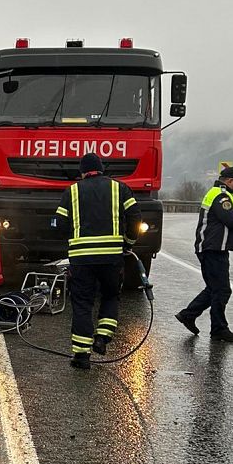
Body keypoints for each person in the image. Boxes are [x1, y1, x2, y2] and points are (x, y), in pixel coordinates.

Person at [55, 152, 143, 370]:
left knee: (82, 302)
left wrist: (71, 239)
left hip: (82, 259)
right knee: (111, 296)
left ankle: (82, 356)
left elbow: (58, 223)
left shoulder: (72, 191)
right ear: (101, 169)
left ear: (82, 172)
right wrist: (128, 242)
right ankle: (102, 338)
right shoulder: (120, 188)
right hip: (112, 257)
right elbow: (135, 218)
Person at [175, 165, 233, 343]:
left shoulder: (217, 193)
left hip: (212, 247)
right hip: (212, 248)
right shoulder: (221, 196)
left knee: (214, 289)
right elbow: (230, 220)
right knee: (222, 290)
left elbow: (223, 219)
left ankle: (188, 315)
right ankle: (219, 329)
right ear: (230, 181)